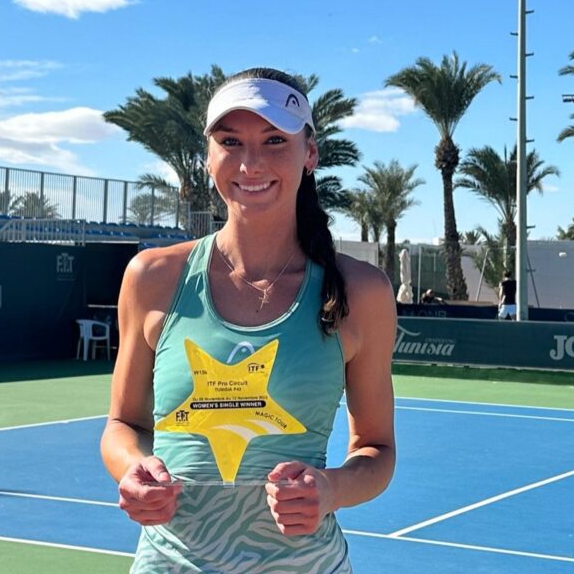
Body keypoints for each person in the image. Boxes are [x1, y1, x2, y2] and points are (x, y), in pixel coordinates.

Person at [100, 68, 396, 573]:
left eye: (275, 140)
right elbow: (123, 425)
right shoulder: (152, 277)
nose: (250, 162)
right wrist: (132, 470)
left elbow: (376, 448)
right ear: (209, 156)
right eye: (230, 140)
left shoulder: (361, 291)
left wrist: (332, 490)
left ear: (310, 154)